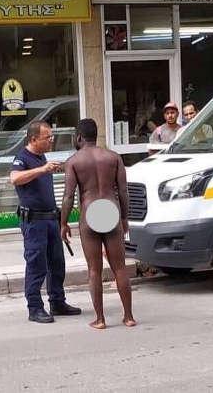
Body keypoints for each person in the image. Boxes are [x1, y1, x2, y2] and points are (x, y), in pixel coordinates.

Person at [61, 119, 135, 330]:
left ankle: (100, 319)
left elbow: (68, 197)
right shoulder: (113, 157)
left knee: (94, 270)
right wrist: (124, 218)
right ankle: (128, 316)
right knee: (120, 267)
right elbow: (123, 191)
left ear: (79, 137)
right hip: (111, 210)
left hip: (90, 212)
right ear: (96, 135)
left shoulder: (74, 161)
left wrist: (63, 223)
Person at [10, 121, 81, 323]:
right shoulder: (22, 157)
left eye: (52, 136)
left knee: (57, 263)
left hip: (50, 219)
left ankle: (57, 302)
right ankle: (34, 308)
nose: (51, 140)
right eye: (47, 137)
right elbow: (14, 178)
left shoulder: (42, 157)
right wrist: (42, 170)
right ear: (33, 139)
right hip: (34, 222)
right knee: (36, 264)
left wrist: (61, 221)